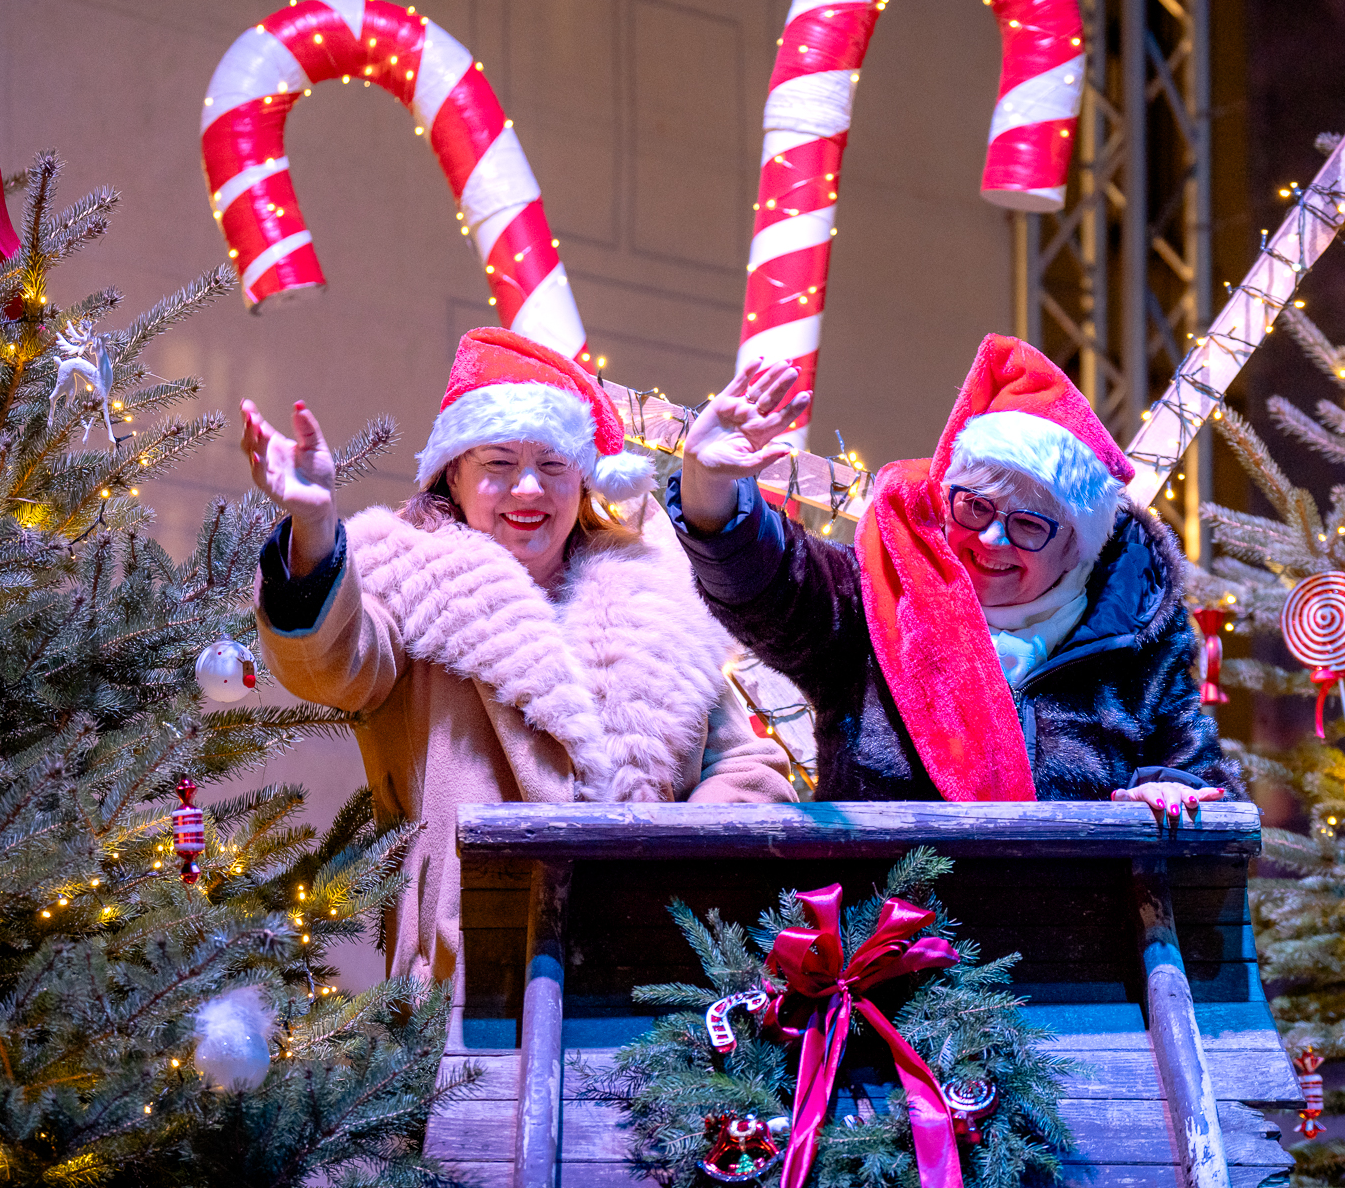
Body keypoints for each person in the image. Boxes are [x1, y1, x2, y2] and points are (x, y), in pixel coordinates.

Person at [243, 327, 795, 987]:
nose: (528, 488)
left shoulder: (661, 599)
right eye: (499, 463)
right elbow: (332, 661)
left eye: (554, 464)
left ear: (583, 478)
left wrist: (669, 870)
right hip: (469, 990)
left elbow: (746, 766)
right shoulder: (403, 583)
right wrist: (313, 531)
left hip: (647, 982)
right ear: (454, 473)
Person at [671, 334, 1238, 814]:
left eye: (1027, 524)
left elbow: (1197, 775)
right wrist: (708, 485)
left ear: (1077, 544)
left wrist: (1168, 794)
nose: (992, 538)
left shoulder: (1138, 636)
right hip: (882, 912)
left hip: (1068, 914)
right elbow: (770, 583)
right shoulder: (879, 596)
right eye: (976, 507)